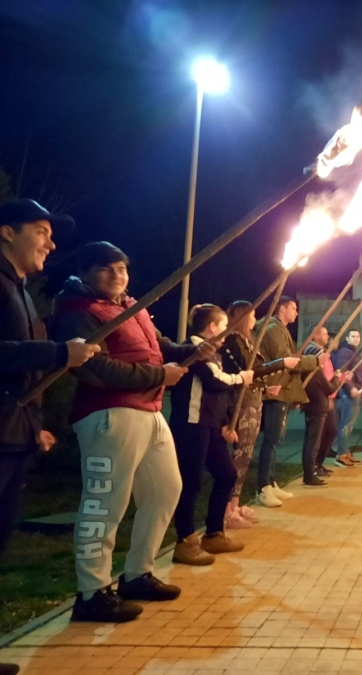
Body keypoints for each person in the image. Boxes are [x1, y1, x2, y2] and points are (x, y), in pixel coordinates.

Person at [52, 241, 215, 623]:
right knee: (104, 503)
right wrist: (162, 375)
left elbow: (158, 347)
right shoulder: (78, 310)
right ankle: (92, 592)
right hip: (108, 414)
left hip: (150, 410)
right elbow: (98, 369)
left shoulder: (130, 306)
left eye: (122, 268)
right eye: (107, 269)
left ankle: (138, 573)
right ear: (86, 271)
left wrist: (187, 351)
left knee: (165, 490)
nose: (117, 275)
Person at [0, 200, 99, 568]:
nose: (51, 244)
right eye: (41, 232)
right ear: (7, 232)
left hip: (14, 436)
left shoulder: (21, 292)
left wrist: (33, 426)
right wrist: (59, 353)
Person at [168, 305, 254, 565]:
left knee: (227, 474)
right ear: (212, 327)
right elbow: (215, 380)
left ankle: (214, 532)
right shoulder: (194, 347)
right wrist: (241, 378)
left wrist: (228, 422)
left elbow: (220, 392)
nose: (227, 331)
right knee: (191, 481)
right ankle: (185, 540)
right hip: (192, 423)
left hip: (211, 424)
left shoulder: (213, 351)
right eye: (224, 324)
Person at [219, 300, 298, 527]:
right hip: (240, 405)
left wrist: (264, 388)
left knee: (245, 458)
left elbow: (254, 374)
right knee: (236, 456)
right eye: (252, 315)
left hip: (254, 402)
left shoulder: (247, 341)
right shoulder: (233, 342)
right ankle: (226, 510)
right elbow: (245, 371)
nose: (255, 319)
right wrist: (281, 363)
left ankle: (235, 505)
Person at [255, 296, 322, 505]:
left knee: (276, 441)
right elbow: (285, 359)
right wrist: (315, 360)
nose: (296, 312)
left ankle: (271, 482)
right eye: (293, 308)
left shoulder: (281, 329)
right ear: (282, 308)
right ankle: (263, 487)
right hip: (276, 389)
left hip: (283, 390)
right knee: (271, 441)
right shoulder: (273, 328)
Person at [300, 326, 344, 486]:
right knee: (314, 440)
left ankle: (315, 467)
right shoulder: (314, 352)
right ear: (316, 335)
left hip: (323, 400)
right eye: (325, 334)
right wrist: (336, 380)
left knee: (326, 433)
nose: (328, 338)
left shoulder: (320, 352)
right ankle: (310, 472)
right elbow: (322, 381)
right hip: (317, 401)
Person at [332, 329, 362, 466]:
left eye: (358, 336)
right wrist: (350, 388)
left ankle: (346, 452)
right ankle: (340, 454)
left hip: (357, 393)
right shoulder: (344, 352)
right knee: (345, 425)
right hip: (348, 394)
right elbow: (340, 372)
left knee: (349, 426)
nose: (356, 338)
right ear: (347, 338)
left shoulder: (355, 354)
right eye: (352, 336)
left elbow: (361, 374)